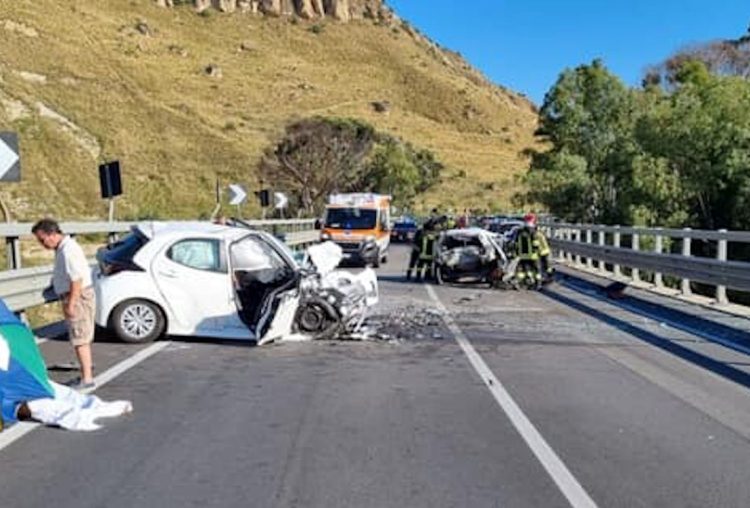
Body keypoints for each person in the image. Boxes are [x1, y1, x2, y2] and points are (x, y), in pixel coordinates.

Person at [33, 219, 96, 390]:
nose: (42, 244)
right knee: (80, 337)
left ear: (52, 234)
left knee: (80, 338)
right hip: (75, 295)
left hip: (77, 296)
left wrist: (71, 304)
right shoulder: (64, 248)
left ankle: (87, 379)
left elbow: (76, 279)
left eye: (42, 240)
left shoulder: (68, 250)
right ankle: (85, 374)